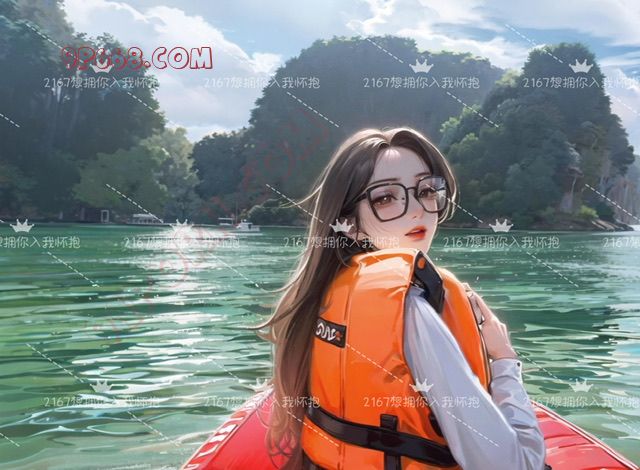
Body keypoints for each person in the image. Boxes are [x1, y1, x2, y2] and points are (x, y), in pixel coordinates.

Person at [257, 127, 546, 469]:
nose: (417, 210)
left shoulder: (322, 292)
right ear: (349, 224)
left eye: (427, 190)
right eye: (385, 198)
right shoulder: (410, 308)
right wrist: (504, 360)